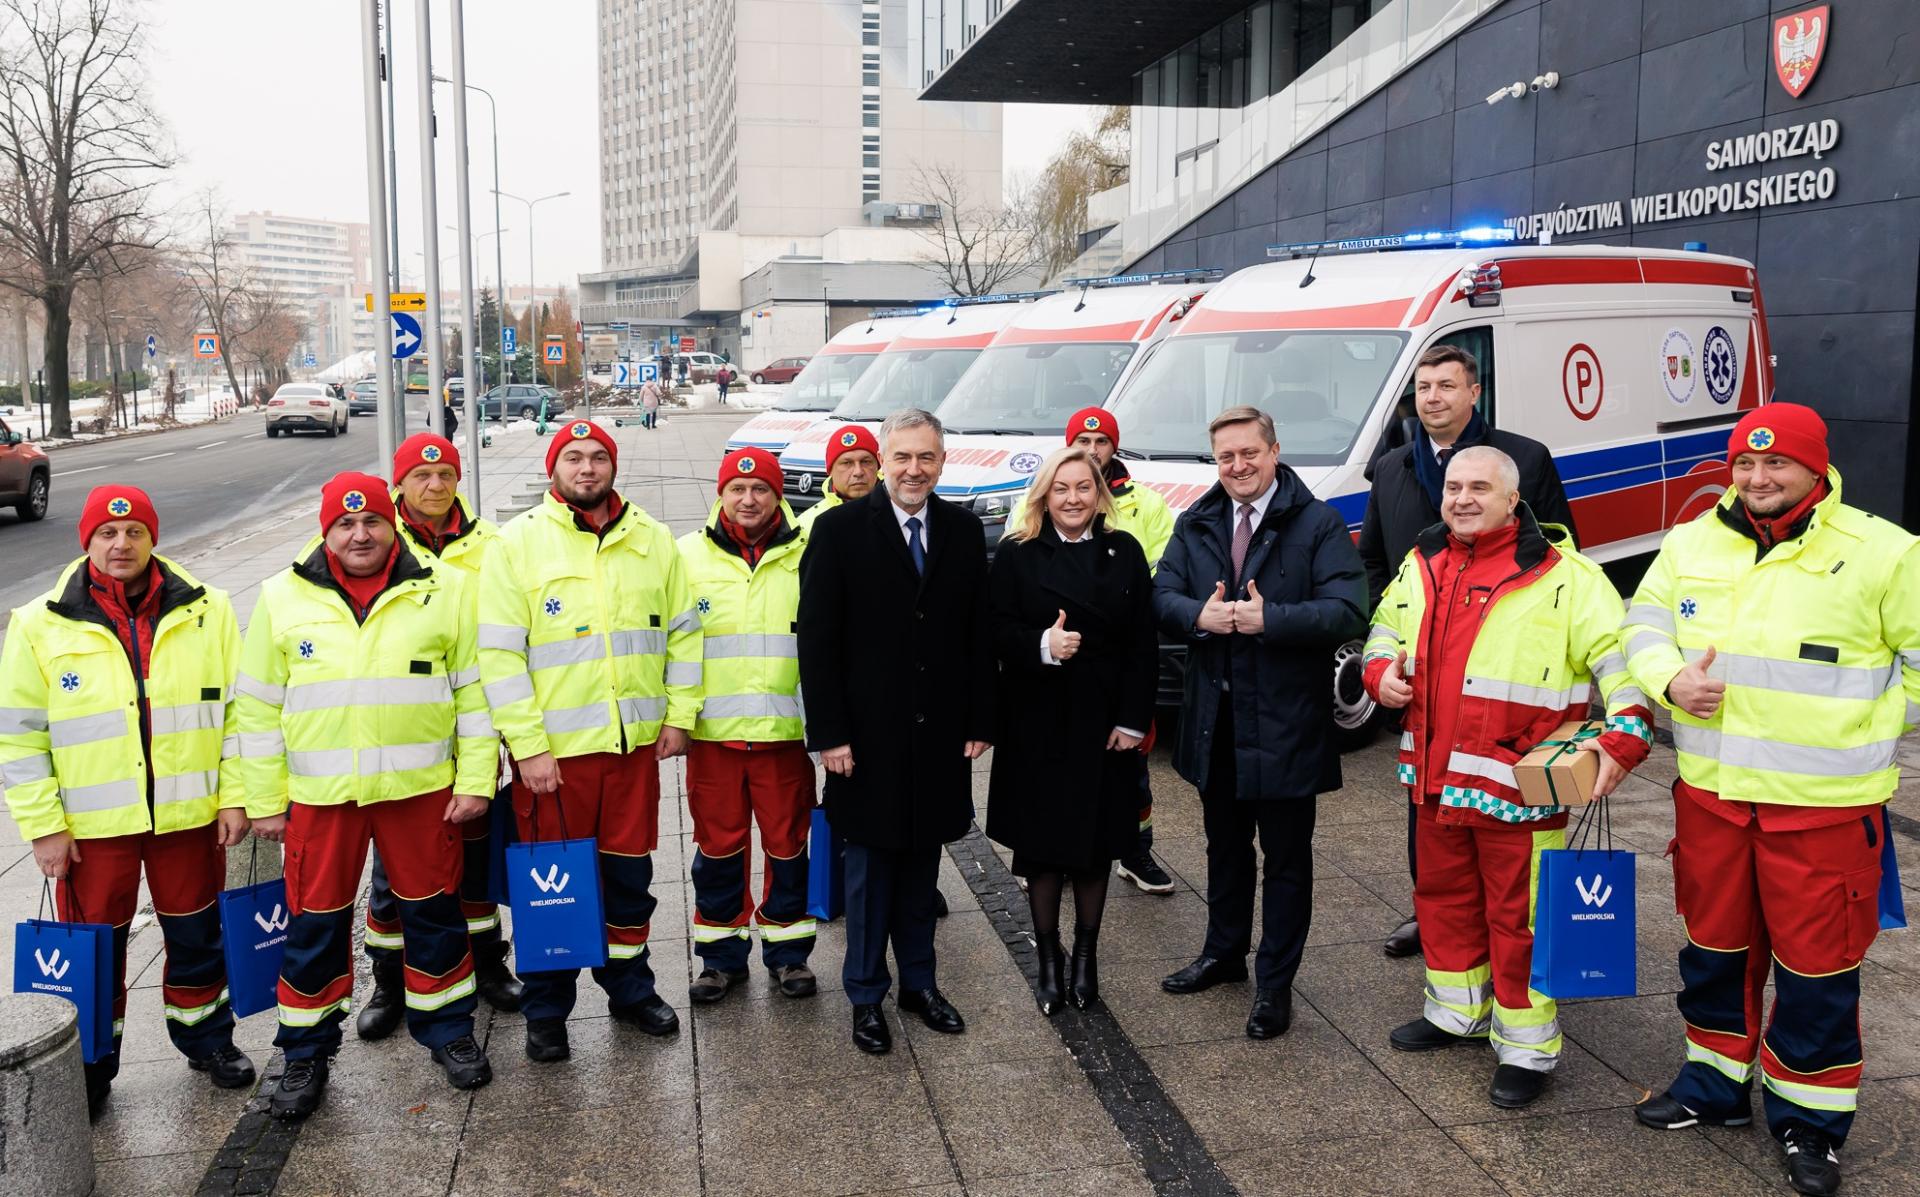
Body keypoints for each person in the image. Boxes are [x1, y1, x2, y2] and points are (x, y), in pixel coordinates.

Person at [1622, 404, 1920, 1197]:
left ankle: (1809, 1122)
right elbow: (1643, 622)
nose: (1757, 478)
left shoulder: (1883, 553)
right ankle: (1714, 1085)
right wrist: (1668, 680)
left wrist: (1871, 723)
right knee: (1712, 951)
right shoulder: (1690, 541)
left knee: (1817, 972)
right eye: (1745, 464)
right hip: (1713, 801)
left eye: (1776, 465)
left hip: (1821, 810)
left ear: (1817, 469)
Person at [1362, 447, 1652, 1109]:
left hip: (1522, 791)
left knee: (1519, 919)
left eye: (1480, 488)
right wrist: (1381, 673)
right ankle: (1456, 1012)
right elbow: (1382, 626)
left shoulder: (1568, 577)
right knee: (1441, 898)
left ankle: (1527, 1047)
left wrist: (1623, 737)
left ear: (1513, 499)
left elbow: (1624, 664)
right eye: (1454, 486)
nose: (1463, 498)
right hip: (1435, 782)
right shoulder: (1422, 560)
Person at [237, 473, 496, 1119]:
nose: (360, 533)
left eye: (372, 521)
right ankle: (305, 1054)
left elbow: (474, 693)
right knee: (315, 927)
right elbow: (258, 707)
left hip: (419, 791)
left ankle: (449, 1031)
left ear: (392, 525)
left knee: (435, 917)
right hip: (323, 798)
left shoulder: (446, 590)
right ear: (325, 532)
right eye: (344, 524)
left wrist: (475, 779)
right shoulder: (280, 595)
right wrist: (265, 799)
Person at [0, 486, 258, 1119]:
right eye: (107, 535)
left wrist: (235, 797)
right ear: (86, 541)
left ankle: (208, 1040)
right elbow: (20, 733)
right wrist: (43, 828)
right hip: (92, 829)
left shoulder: (208, 609)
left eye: (135, 532)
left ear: (153, 538)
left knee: (197, 936)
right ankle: (91, 1065)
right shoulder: (39, 621)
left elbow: (237, 714)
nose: (121, 545)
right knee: (95, 950)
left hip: (186, 815)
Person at [478, 419, 702, 1062]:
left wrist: (679, 715)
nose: (586, 468)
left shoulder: (653, 541)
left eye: (597, 457)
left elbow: (684, 635)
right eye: (573, 457)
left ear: (613, 465)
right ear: (554, 469)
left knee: (629, 882)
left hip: (631, 756)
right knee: (552, 888)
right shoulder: (517, 545)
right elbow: (499, 656)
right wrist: (528, 747)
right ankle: (547, 1010)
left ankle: (629, 988)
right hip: (555, 763)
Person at [1152, 406, 1367, 1039]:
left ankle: (1275, 983)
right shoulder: (1197, 521)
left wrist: (1272, 621)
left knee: (1287, 859)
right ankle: (1223, 955)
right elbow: (1161, 594)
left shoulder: (1318, 522)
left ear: (1274, 451)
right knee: (1224, 848)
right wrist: (1201, 615)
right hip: (1215, 721)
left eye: (1249, 453)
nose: (1238, 467)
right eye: (1226, 457)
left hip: (1286, 721)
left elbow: (1349, 609)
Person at [1359, 345, 1578, 961]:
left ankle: (1507, 926)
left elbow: (1562, 554)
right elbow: (1375, 561)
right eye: (1424, 387)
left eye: (1447, 386)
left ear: (1473, 393)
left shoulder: (1526, 459)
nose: (1433, 397)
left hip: (1504, 680)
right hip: (1427, 678)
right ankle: (1431, 913)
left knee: (1508, 814)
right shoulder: (1394, 466)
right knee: (1427, 802)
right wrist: (1399, 637)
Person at [797, 407, 994, 1055]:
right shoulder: (839, 530)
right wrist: (829, 733)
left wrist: (980, 715)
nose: (915, 469)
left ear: (942, 461)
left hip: (937, 739)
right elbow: (818, 643)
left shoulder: (964, 531)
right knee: (868, 876)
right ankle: (864, 996)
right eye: (903, 456)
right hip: (864, 741)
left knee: (921, 872)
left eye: (927, 457)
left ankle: (921, 984)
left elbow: (976, 635)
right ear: (883, 460)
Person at [355, 434, 521, 1045]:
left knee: (474, 860)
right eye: (421, 475)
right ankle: (389, 981)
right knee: (392, 869)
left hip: (473, 722)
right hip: (400, 732)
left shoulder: (491, 547)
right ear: (400, 485)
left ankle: (485, 965)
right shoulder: (368, 538)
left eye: (445, 473)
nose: (433, 484)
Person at [986, 447, 1156, 1015]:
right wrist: (1043, 644)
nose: (1073, 499)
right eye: (1061, 489)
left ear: (1099, 493)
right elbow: (994, 629)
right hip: (1036, 718)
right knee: (1042, 848)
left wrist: (1133, 719)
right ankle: (1050, 961)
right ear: (1044, 494)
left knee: (1093, 845)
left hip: (1102, 720)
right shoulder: (1018, 553)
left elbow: (1142, 644)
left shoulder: (1123, 551)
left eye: (1083, 487)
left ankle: (1087, 956)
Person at [676, 448, 818, 1003]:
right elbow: (673, 644)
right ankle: (720, 958)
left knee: (787, 849)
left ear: (777, 495)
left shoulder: (808, 553)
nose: (749, 499)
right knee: (718, 850)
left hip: (785, 738)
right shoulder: (685, 555)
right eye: (737, 488)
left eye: (761, 488)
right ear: (721, 494)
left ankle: (788, 955)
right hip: (714, 738)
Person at [796, 425, 881, 535]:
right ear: (830, 471)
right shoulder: (806, 526)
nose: (858, 472)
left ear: (878, 465)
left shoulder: (900, 512)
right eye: (847, 463)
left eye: (866, 461)